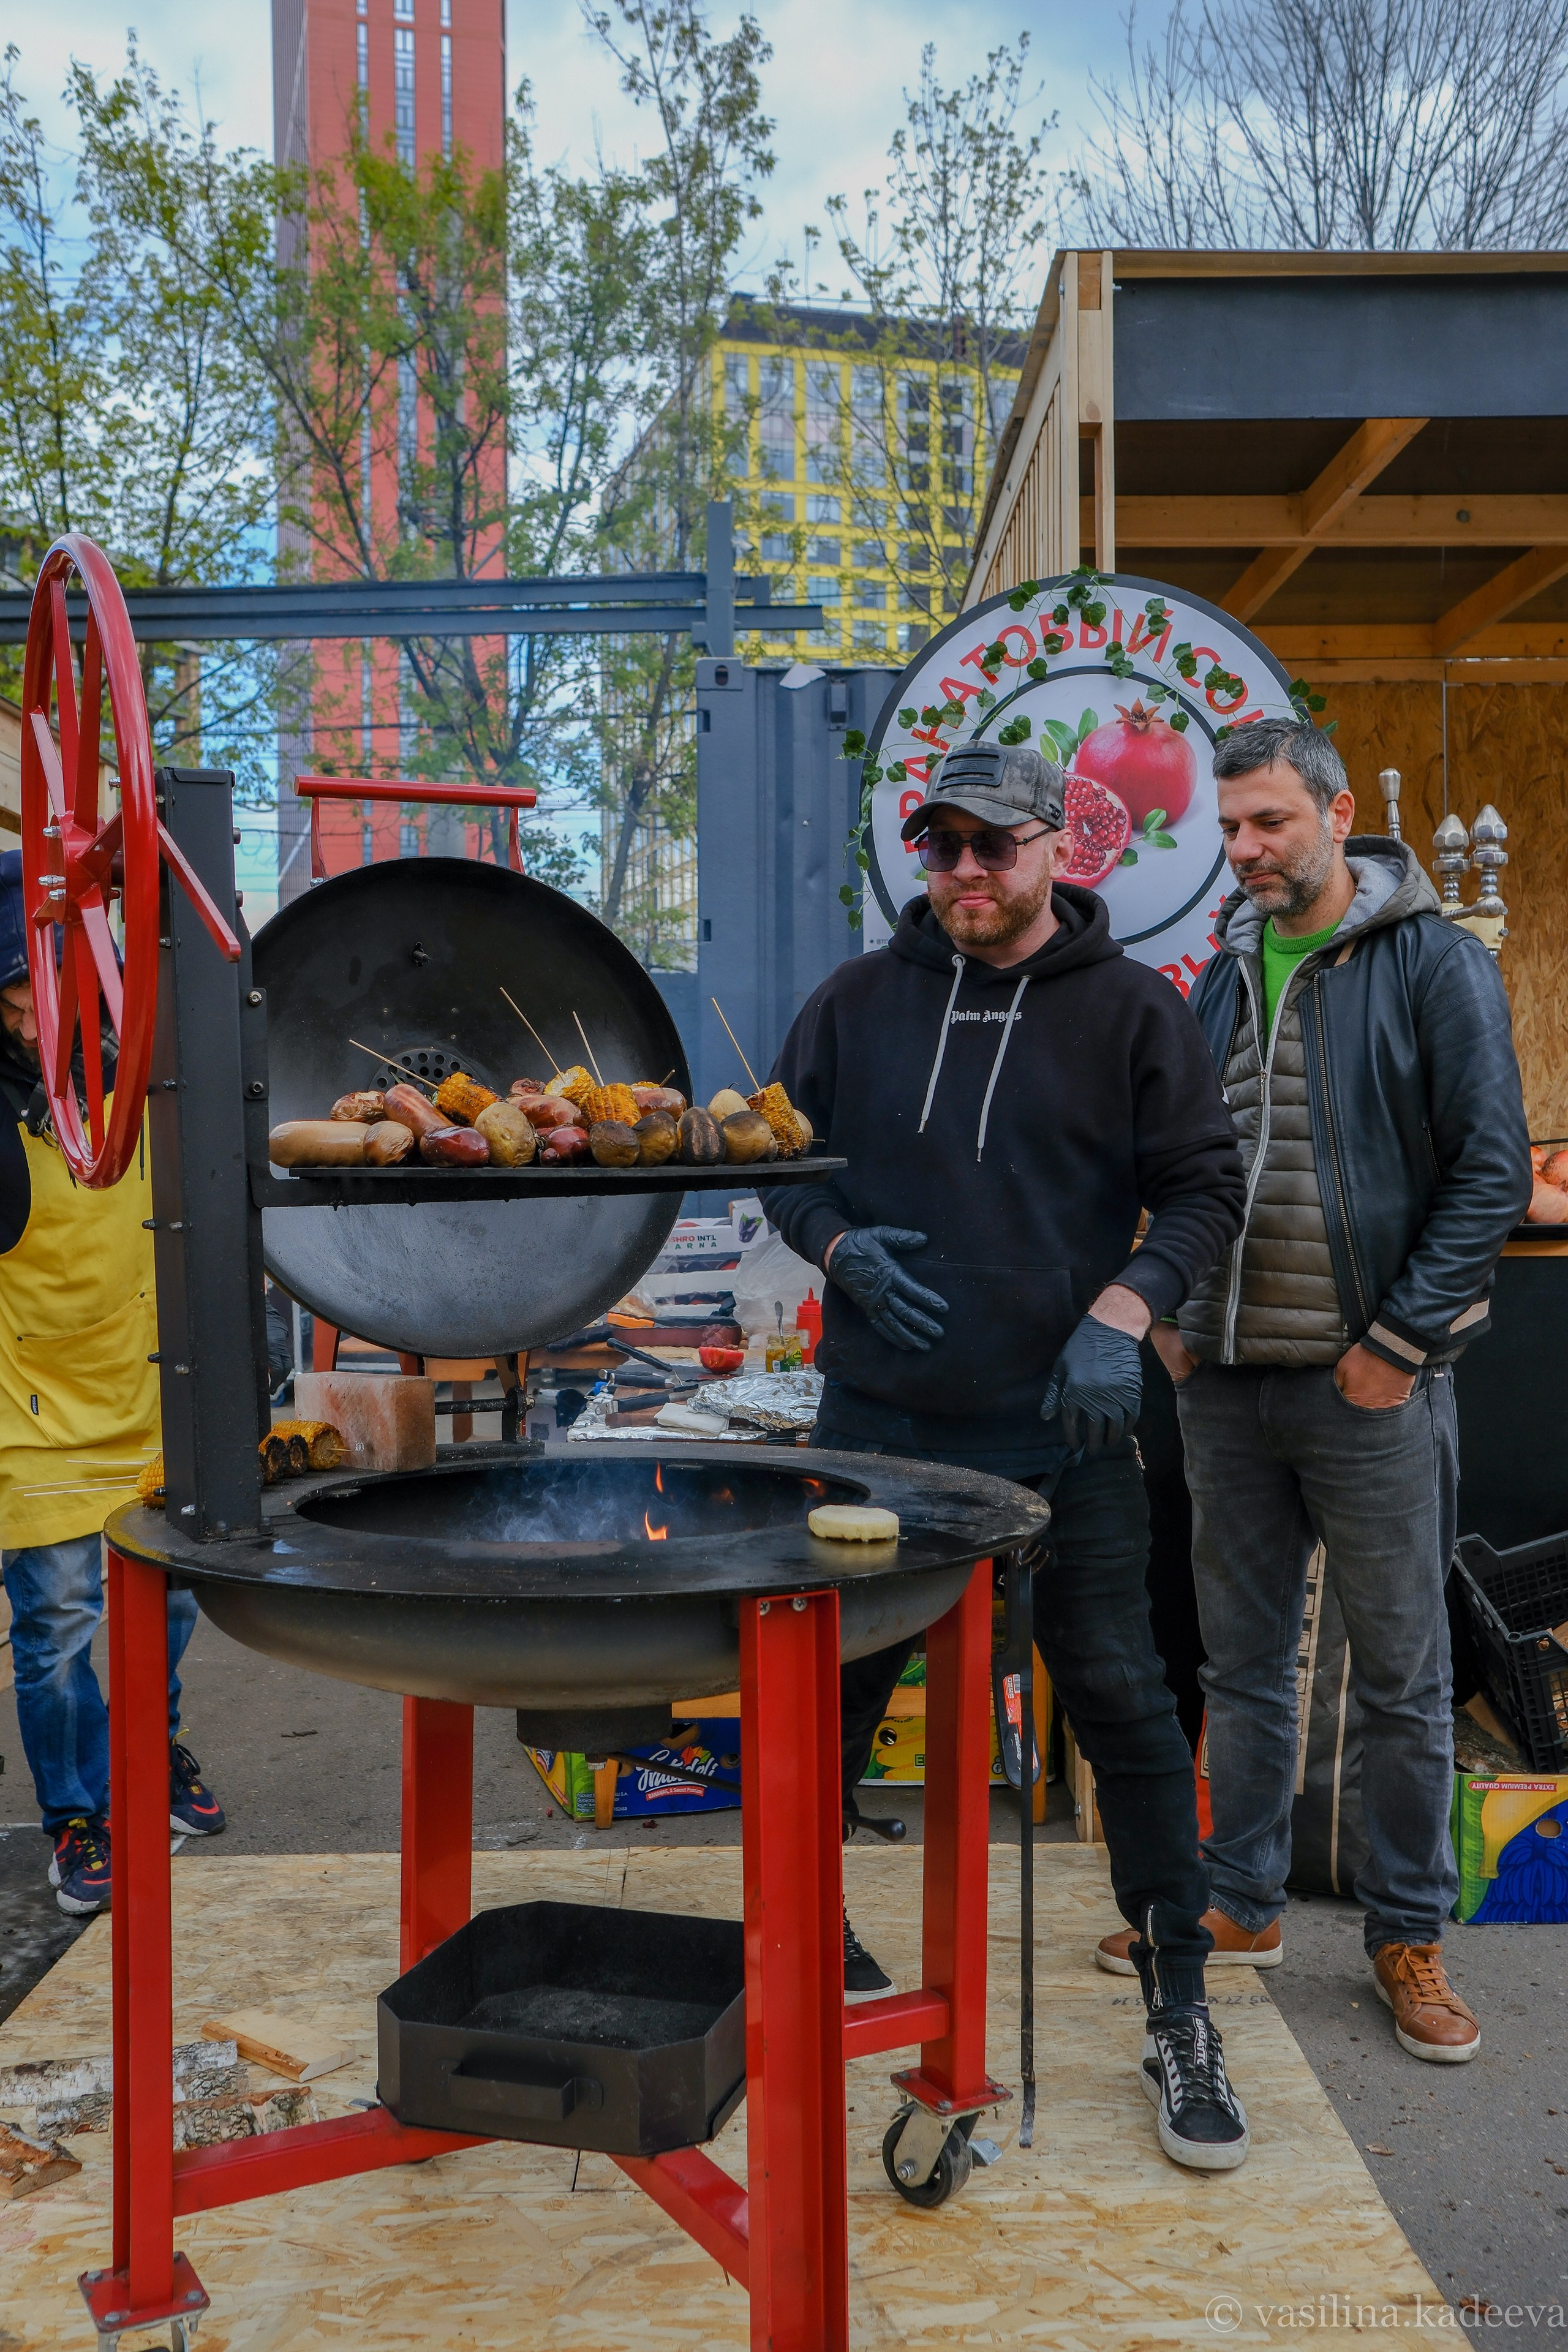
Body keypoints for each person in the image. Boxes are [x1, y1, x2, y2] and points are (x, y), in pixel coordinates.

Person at [760, 742, 1251, 2171]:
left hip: (1065, 1429)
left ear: (1053, 850)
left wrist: (1123, 1311)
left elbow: (1201, 1189)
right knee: (829, 1697)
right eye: (941, 846)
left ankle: (1177, 2007)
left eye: (993, 844)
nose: (965, 870)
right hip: (879, 1429)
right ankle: (796, 1939)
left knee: (1123, 1705)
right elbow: (782, 1163)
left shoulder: (1130, 1012)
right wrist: (835, 1246)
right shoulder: (852, 1002)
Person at [1132, 717, 1531, 2063]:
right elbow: (1181, 1162)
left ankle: (1407, 1935)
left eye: (1270, 822)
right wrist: (1171, 1317)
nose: (1245, 850)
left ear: (1337, 812)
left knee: (1405, 1681)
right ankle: (1241, 1903)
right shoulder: (1220, 972)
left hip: (1369, 1391)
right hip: (1225, 1387)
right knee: (1240, 1666)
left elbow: (1489, 1169)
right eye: (1229, 829)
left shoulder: (1431, 961)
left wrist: (1399, 1343)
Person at [0, 854, 225, 1917]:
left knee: (169, 1601)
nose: (31, 1019)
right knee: (57, 1632)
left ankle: (148, 1753)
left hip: (148, 1394)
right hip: (34, 1410)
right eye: (13, 999)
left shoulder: (140, 1079)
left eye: (45, 995)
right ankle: (77, 1814)